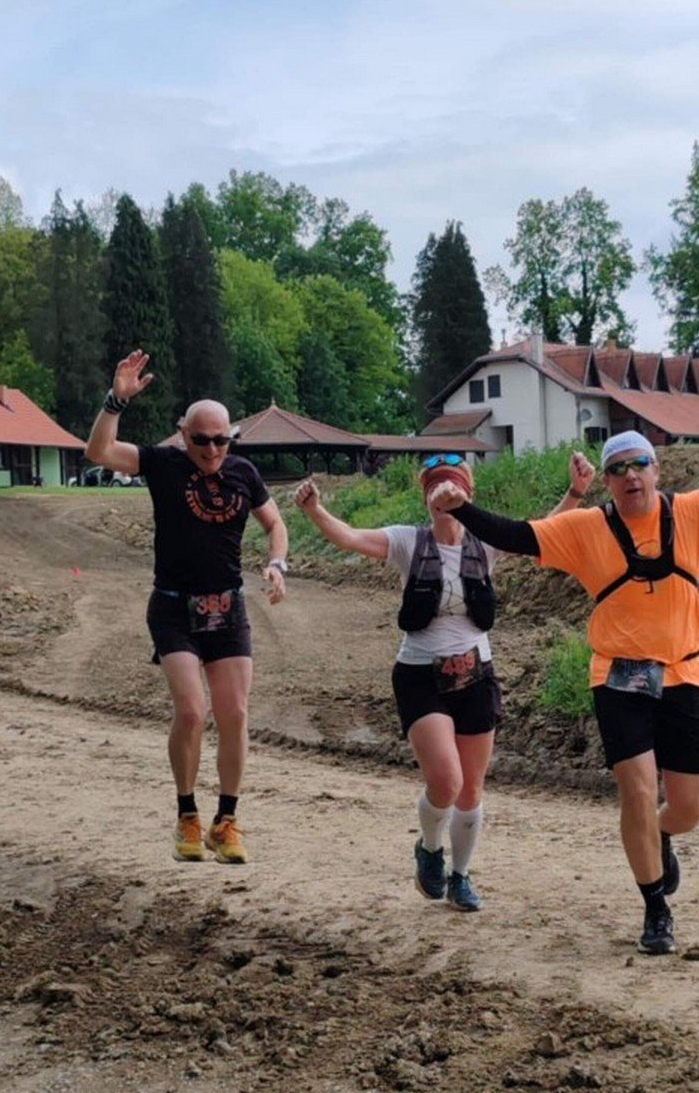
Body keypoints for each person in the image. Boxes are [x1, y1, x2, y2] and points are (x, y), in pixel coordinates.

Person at [428, 425, 699, 954]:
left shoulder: (693, 512)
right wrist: (463, 508)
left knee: (689, 808)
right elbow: (517, 535)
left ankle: (661, 835)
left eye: (639, 464)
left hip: (685, 676)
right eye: (618, 469)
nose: (630, 475)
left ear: (657, 469)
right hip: (618, 678)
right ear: (607, 481)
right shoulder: (586, 528)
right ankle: (655, 909)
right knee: (639, 790)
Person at [85, 349, 289, 865]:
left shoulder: (244, 472)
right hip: (173, 607)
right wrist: (116, 401)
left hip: (228, 608)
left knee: (235, 713)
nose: (212, 449)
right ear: (183, 434)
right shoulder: (163, 463)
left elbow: (274, 523)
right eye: (201, 440)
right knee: (193, 711)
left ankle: (227, 821)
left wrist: (277, 563)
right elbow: (99, 451)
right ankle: (186, 815)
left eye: (222, 440)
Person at [293, 454, 505, 911]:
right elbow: (350, 537)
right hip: (421, 675)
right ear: (426, 499)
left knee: (471, 788)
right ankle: (429, 847)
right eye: (435, 489)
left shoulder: (486, 541)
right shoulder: (410, 542)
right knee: (446, 781)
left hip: (476, 675)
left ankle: (460, 876)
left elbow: (542, 535)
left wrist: (576, 492)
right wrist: (314, 510)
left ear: (467, 495)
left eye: (452, 487)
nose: (443, 496)